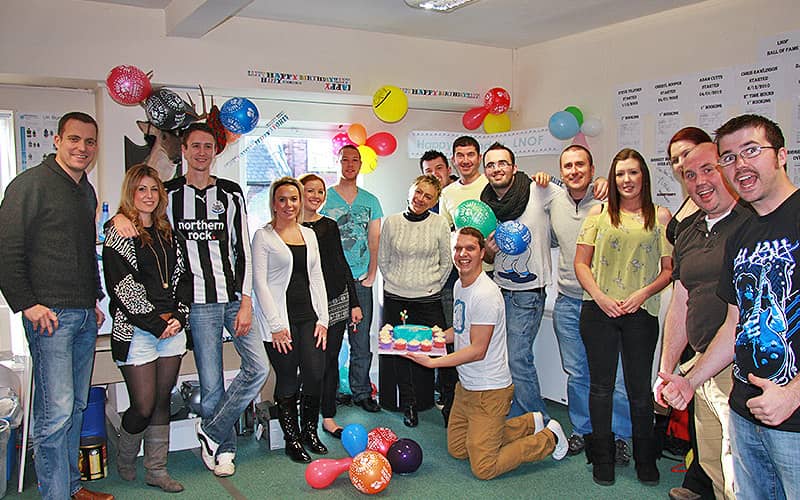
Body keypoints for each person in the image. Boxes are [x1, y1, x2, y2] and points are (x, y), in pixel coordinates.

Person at [113, 122, 268, 477]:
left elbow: (242, 249)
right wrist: (119, 216)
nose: (201, 152)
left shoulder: (231, 193)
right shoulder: (167, 193)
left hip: (233, 300)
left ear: (216, 152)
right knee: (211, 385)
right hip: (196, 305)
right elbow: (139, 210)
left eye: (208, 147)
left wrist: (246, 301)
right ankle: (223, 449)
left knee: (258, 367)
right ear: (183, 150)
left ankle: (210, 430)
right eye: (195, 146)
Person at [660, 115, 800, 500]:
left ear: (782, 155)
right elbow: (736, 323)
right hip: (743, 404)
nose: (740, 165)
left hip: (792, 412)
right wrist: (688, 379)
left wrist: (793, 392)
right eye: (730, 157)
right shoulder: (743, 235)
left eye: (751, 151)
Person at [0, 112, 113, 500]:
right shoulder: (28, 186)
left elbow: (84, 252)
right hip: (48, 316)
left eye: (89, 142)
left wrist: (94, 301)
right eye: (74, 140)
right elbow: (6, 250)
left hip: (81, 313)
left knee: (77, 407)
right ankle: (55, 495)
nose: (82, 148)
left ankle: (72, 486)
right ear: (57, 140)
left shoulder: (85, 191)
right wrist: (27, 304)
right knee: (55, 414)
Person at [406, 227, 568, 480]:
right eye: (458, 248)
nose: (462, 254)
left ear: (482, 253)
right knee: (458, 449)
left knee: (484, 467)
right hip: (467, 387)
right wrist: (430, 337)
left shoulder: (485, 294)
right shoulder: (461, 284)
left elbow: (477, 350)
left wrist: (432, 362)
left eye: (470, 248)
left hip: (490, 391)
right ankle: (529, 422)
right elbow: (459, 329)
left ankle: (549, 437)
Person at [655, 143, 749, 500]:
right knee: (711, 461)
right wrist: (667, 369)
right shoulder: (688, 231)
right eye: (690, 175)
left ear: (728, 168)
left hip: (738, 365)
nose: (699, 182)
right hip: (699, 363)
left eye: (708, 170)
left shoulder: (751, 223)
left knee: (738, 468)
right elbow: (681, 302)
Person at [574, 148, 673, 486]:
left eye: (633, 173)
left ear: (643, 176)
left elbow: (667, 271)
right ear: (613, 179)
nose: (627, 180)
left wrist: (641, 294)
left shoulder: (660, 216)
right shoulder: (598, 215)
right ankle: (602, 461)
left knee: (638, 392)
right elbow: (581, 264)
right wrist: (600, 297)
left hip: (640, 313)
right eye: (620, 174)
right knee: (600, 388)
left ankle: (646, 462)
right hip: (598, 310)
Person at [541, 144, 633, 462]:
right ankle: (583, 430)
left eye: (580, 165)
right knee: (577, 372)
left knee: (616, 373)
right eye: (568, 166)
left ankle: (620, 436)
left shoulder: (610, 201)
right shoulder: (553, 201)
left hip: (606, 303)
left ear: (593, 170)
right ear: (561, 171)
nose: (574, 171)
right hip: (568, 301)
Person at [103, 164, 192, 493]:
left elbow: (184, 279)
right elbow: (122, 286)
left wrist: (179, 318)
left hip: (172, 330)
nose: (149, 196)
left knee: (161, 401)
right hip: (137, 331)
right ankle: (126, 456)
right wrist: (157, 324)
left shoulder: (171, 233)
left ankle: (156, 468)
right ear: (131, 193)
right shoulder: (119, 232)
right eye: (141, 189)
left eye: (154, 189)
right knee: (142, 404)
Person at [252, 176, 329, 463]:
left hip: (309, 316)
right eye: (282, 199)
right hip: (280, 321)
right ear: (273, 202)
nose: (289, 204)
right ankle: (291, 439)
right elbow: (260, 284)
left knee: (314, 373)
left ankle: (310, 431)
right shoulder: (264, 236)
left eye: (293, 199)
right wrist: (276, 326)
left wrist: (324, 319)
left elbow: (317, 276)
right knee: (287, 378)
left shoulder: (308, 234)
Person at [480, 142, 559, 420]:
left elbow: (575, 196)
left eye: (502, 163)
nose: (496, 169)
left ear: (514, 167)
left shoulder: (538, 190)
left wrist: (598, 186)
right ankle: (517, 416)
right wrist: (488, 253)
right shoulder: (485, 204)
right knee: (503, 357)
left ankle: (541, 422)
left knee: (517, 357)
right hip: (500, 288)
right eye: (490, 164)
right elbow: (488, 258)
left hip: (528, 292)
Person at [377, 175, 451, 427]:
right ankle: (409, 404)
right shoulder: (392, 222)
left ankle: (449, 404)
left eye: (428, 196)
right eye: (418, 192)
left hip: (428, 298)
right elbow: (383, 260)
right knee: (402, 353)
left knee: (441, 350)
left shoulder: (439, 223)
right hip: (397, 298)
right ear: (410, 191)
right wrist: (398, 284)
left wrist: (430, 286)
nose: (421, 199)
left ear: (435, 201)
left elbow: (446, 262)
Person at [298, 173, 362, 439]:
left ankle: (328, 416)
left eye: (320, 192)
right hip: (307, 304)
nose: (315, 196)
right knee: (309, 364)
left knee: (330, 361)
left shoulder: (330, 226)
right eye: (310, 191)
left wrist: (354, 303)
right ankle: (305, 419)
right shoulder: (290, 228)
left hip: (336, 300)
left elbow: (341, 263)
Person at [320, 145, 383, 413]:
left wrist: (372, 272)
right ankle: (330, 392)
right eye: (344, 160)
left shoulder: (370, 201)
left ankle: (361, 391)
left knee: (360, 341)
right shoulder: (325, 199)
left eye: (355, 160)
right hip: (330, 283)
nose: (349, 165)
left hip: (360, 280)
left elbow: (375, 238)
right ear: (338, 162)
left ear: (360, 164)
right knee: (330, 342)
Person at [436, 136, 488, 424]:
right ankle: (455, 405)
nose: (465, 160)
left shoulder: (489, 186)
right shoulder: (448, 193)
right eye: (460, 155)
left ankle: (486, 404)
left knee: (483, 341)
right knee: (458, 334)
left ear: (478, 157)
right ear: (454, 159)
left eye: (470, 154)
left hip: (489, 274)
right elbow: (446, 234)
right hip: (457, 276)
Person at [665, 127, 713, 245]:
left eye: (686, 154)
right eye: (675, 160)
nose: (681, 163)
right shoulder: (690, 198)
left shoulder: (717, 198)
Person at [419, 149, 457, 214]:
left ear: (449, 170)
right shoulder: (422, 199)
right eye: (429, 171)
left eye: (439, 168)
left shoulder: (464, 187)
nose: (434, 174)